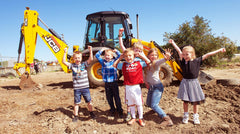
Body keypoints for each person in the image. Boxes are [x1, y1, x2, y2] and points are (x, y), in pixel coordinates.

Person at [169, 39, 226, 124]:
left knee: (195, 102)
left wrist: (220, 50)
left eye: (187, 54)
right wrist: (173, 43)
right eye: (183, 54)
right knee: (185, 101)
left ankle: (195, 116)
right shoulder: (183, 60)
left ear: (192, 54)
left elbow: (208, 54)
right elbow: (178, 50)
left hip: (194, 83)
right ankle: (186, 116)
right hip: (185, 83)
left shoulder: (197, 61)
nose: (184, 56)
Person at [113, 48, 151, 127]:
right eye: (126, 56)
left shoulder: (139, 63)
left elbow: (148, 62)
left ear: (134, 56)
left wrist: (141, 55)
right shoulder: (123, 65)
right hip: (128, 87)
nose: (128, 57)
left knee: (139, 103)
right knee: (131, 104)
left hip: (136, 87)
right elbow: (114, 65)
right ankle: (133, 117)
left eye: (130, 55)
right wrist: (120, 58)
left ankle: (141, 118)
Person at [118, 28, 147, 121]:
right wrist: (120, 36)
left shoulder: (140, 60)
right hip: (129, 83)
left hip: (136, 82)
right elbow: (122, 46)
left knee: (137, 100)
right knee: (129, 99)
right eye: (136, 50)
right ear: (132, 50)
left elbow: (148, 62)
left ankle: (139, 114)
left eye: (139, 50)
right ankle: (129, 113)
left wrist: (142, 55)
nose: (137, 52)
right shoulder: (128, 56)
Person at [62, 46, 96, 122]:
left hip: (85, 88)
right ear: (73, 59)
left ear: (81, 58)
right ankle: (76, 116)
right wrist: (65, 52)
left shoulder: (84, 64)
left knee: (89, 101)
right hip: (77, 89)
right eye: (76, 58)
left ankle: (91, 112)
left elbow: (91, 59)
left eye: (79, 58)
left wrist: (90, 50)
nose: (77, 59)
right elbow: (64, 62)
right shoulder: (72, 66)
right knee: (76, 103)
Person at [144, 48, 174, 127]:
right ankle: (154, 110)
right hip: (151, 87)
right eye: (152, 55)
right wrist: (146, 83)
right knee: (148, 103)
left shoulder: (156, 63)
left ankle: (167, 119)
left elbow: (161, 61)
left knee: (154, 105)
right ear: (148, 56)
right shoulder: (146, 64)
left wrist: (165, 58)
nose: (154, 56)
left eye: (155, 55)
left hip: (157, 87)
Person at [95, 48, 123, 118]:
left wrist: (116, 51)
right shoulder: (103, 62)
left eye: (109, 55)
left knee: (117, 97)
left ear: (112, 56)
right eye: (106, 55)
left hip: (114, 82)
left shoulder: (114, 61)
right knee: (109, 98)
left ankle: (120, 110)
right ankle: (112, 109)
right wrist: (102, 50)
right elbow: (97, 55)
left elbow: (120, 55)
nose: (107, 57)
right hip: (107, 83)